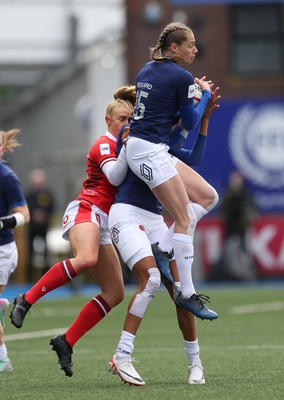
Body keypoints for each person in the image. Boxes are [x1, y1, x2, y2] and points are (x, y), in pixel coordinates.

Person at [9, 86, 136, 377]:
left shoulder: (128, 143)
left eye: (130, 118)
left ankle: (66, 341)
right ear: (107, 120)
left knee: (115, 292)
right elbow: (115, 175)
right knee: (86, 259)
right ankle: (26, 299)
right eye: (120, 118)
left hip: (103, 220)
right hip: (86, 209)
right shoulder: (105, 143)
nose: (125, 123)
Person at [108, 87, 221, 386]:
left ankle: (195, 363)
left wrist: (204, 115)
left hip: (154, 219)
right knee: (152, 280)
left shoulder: (158, 140)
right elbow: (114, 177)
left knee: (180, 291)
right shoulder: (134, 135)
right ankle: (122, 355)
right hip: (127, 214)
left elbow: (193, 156)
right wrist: (198, 95)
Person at [126, 22, 219, 317]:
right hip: (147, 152)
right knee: (182, 218)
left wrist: (192, 98)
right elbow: (188, 123)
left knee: (208, 197)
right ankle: (188, 294)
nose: (195, 49)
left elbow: (172, 116)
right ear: (174, 48)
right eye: (190, 44)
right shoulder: (180, 76)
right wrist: (202, 94)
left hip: (154, 149)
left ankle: (164, 247)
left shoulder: (147, 70)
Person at [0, 128, 30, 373]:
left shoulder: (7, 177)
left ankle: (2, 360)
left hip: (2, 250)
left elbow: (24, 215)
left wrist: (1, 222)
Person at [211, 170, 258, 281]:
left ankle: (249, 275)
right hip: (231, 231)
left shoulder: (246, 195)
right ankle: (233, 275)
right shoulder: (228, 196)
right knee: (230, 254)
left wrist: (248, 219)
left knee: (245, 254)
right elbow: (223, 213)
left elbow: (252, 212)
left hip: (243, 230)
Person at [25, 168, 55, 282]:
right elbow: (25, 208)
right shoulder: (29, 195)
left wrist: (44, 215)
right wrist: (34, 215)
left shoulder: (48, 194)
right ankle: (29, 279)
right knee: (30, 253)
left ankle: (45, 277)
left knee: (45, 253)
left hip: (44, 228)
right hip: (32, 228)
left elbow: (52, 207)